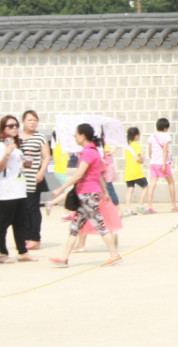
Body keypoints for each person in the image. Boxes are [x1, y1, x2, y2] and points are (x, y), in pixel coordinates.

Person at [47, 123, 122, 267]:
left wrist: (61, 188)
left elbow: (79, 174)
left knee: (99, 225)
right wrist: (105, 192)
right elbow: (98, 175)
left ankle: (114, 255)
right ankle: (64, 258)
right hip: (87, 193)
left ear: (83, 136)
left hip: (88, 194)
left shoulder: (88, 152)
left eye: (76, 134)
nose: (75, 137)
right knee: (75, 226)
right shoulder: (93, 151)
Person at [0, 114, 33, 262]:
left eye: (16, 125)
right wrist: (7, 153)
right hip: (6, 191)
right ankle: (2, 252)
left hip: (19, 189)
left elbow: (18, 167)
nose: (14, 128)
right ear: (3, 128)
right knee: (3, 223)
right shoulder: (2, 146)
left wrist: (26, 163)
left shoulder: (17, 147)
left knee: (20, 223)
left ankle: (22, 251)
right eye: (10, 126)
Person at [20, 109, 49, 250]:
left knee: (33, 208)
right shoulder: (17, 137)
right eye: (30, 120)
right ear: (23, 121)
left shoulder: (40, 138)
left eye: (35, 120)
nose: (32, 123)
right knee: (23, 209)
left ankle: (35, 238)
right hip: (20, 179)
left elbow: (46, 157)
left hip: (34, 178)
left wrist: (41, 172)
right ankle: (26, 236)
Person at [147, 117, 178, 213]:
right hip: (162, 163)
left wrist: (152, 159)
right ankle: (173, 205)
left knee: (152, 183)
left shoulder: (152, 136)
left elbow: (150, 150)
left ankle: (149, 206)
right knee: (171, 182)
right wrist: (164, 164)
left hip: (153, 163)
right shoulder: (166, 136)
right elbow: (165, 150)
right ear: (165, 128)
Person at [123, 127, 150, 216]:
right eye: (139, 134)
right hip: (136, 171)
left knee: (130, 189)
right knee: (145, 186)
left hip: (128, 172)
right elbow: (138, 159)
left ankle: (128, 209)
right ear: (136, 136)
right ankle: (140, 205)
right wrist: (142, 160)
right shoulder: (136, 145)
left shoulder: (128, 146)